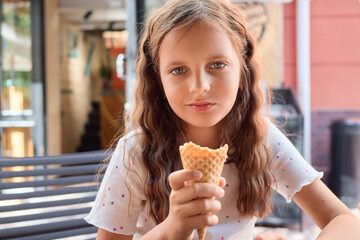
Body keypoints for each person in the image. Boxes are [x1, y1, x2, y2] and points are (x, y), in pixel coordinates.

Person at [85, 0, 360, 239]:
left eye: (217, 64)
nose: (200, 85)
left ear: (242, 69)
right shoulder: (135, 153)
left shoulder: (260, 139)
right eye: (178, 69)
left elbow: (344, 220)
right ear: (158, 81)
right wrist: (172, 228)